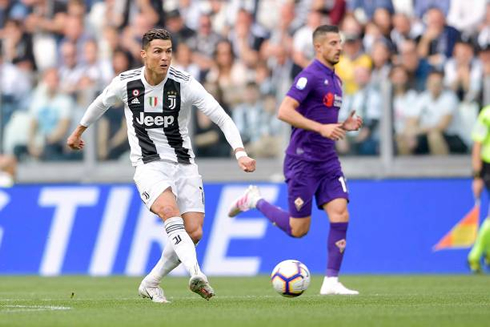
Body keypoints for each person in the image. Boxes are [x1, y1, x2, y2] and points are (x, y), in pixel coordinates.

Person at [66, 28, 256, 302]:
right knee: (169, 211)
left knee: (194, 231)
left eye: (168, 51)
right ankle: (196, 273)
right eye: (158, 51)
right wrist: (78, 132)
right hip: (148, 164)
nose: (164, 57)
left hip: (184, 165)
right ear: (144, 54)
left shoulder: (184, 84)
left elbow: (222, 118)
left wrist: (240, 152)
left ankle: (151, 282)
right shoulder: (126, 83)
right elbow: (100, 103)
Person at [228, 25, 362, 295]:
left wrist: (342, 125)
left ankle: (331, 282)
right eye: (333, 43)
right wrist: (322, 129)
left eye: (340, 42)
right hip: (302, 161)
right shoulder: (309, 76)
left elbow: (321, 119)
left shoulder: (337, 81)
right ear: (319, 47)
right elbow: (284, 111)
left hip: (327, 160)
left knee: (341, 213)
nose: (339, 47)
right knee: (299, 230)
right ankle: (255, 200)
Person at [468, 104, 490, 273]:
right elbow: (477, 145)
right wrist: (477, 176)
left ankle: (485, 253)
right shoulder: (487, 114)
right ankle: (476, 254)